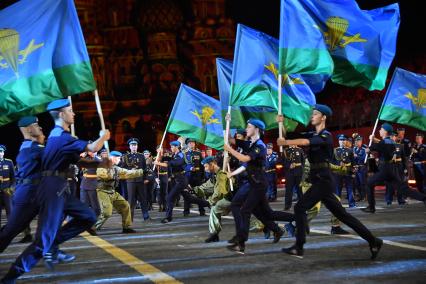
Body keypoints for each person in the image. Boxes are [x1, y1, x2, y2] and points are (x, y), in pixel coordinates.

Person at [1, 99, 111, 282]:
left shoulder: (54, 139)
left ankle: (52, 245)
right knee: (16, 233)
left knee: (88, 216)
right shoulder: (43, 143)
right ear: (61, 114)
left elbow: (76, 159)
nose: (40, 127)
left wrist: (100, 162)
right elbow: (90, 149)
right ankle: (12, 276)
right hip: (35, 191)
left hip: (54, 189)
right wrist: (104, 137)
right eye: (70, 110)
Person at [277, 104, 382, 259]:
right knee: (344, 216)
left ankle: (299, 246)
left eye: (316, 114)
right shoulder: (313, 134)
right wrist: (282, 124)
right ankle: (374, 241)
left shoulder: (326, 136)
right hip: (320, 181)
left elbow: (305, 142)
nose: (312, 116)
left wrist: (285, 143)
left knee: (299, 207)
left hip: (323, 181)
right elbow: (291, 138)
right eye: (312, 114)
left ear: (323, 117)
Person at [224, 119, 291, 254]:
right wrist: (228, 122)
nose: (246, 129)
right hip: (254, 183)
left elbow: (245, 159)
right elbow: (231, 140)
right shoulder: (250, 143)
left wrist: (230, 150)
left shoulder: (259, 146)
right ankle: (278, 229)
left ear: (257, 129)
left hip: (259, 185)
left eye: (249, 127)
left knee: (245, 210)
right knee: (265, 213)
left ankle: (241, 242)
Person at [95, 151, 142, 233]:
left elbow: (127, 173)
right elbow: (103, 175)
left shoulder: (115, 168)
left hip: (112, 191)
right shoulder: (102, 165)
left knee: (125, 206)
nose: (119, 159)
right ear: (112, 158)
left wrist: (142, 172)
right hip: (102, 191)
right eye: (118, 158)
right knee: (107, 213)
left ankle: (126, 227)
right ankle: (93, 228)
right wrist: (111, 174)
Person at [154, 141, 188, 223]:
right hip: (176, 179)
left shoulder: (180, 155)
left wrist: (158, 163)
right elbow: (164, 159)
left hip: (181, 179)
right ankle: (205, 203)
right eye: (171, 147)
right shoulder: (174, 155)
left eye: (172, 147)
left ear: (177, 147)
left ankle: (168, 217)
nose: (171, 148)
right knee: (189, 198)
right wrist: (160, 153)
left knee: (169, 197)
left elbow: (172, 163)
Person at [122, 138, 150, 221]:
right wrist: (130, 171)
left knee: (143, 199)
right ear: (129, 147)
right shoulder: (126, 156)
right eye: (132, 145)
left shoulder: (141, 156)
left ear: (137, 146)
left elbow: (145, 168)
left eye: (135, 145)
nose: (134, 147)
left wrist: (145, 178)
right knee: (131, 200)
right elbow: (122, 168)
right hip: (130, 181)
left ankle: (146, 216)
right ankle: (130, 217)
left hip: (140, 180)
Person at [333, 134, 356, 208]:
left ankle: (352, 204)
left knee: (349, 188)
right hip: (338, 171)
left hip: (348, 171)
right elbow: (332, 162)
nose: (342, 141)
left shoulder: (350, 150)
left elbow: (353, 162)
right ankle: (337, 204)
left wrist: (353, 171)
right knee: (337, 188)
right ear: (338, 141)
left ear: (346, 141)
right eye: (340, 140)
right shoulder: (335, 150)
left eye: (343, 140)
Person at [283, 145, 304, 210]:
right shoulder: (286, 151)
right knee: (289, 190)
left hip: (299, 172)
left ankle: (302, 204)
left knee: (300, 189)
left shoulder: (300, 149)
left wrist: (302, 170)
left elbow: (303, 161)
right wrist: (288, 165)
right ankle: (287, 205)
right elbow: (283, 161)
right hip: (290, 173)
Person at [0, 144, 15, 227]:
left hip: (7, 191)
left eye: (1, 151)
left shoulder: (9, 162)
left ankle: (10, 230)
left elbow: (14, 178)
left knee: (10, 211)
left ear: (3, 153)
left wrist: (11, 189)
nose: (0, 153)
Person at [353, 135, 367, 202]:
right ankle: (360, 196)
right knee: (357, 183)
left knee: (362, 183)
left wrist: (356, 156)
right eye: (355, 141)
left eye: (358, 141)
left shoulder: (364, 149)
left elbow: (364, 159)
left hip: (362, 168)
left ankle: (364, 196)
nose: (356, 142)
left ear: (361, 141)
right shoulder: (354, 149)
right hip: (356, 168)